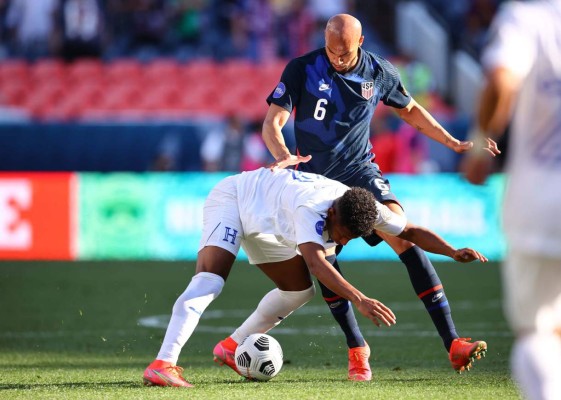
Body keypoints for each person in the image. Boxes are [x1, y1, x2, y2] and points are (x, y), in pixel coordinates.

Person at [251, 13, 500, 380]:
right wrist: (280, 152)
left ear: (361, 42)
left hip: (360, 173)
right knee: (325, 261)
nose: (337, 58)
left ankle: (453, 343)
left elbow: (410, 110)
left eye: (346, 52)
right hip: (315, 182)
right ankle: (357, 349)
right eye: (332, 50)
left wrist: (454, 142)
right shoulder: (302, 68)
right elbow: (272, 121)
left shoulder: (379, 72)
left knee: (402, 234)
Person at [143, 167, 488, 387]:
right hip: (233, 199)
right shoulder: (313, 208)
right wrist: (360, 299)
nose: (342, 241)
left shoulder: (361, 207)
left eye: (350, 238)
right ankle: (163, 363)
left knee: (298, 292)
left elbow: (410, 229)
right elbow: (318, 263)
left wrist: (452, 250)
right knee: (211, 280)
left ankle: (233, 345)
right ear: (333, 212)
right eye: (341, 232)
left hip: (268, 224)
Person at [461, 1, 561, 399]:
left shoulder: (526, 18)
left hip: (541, 197)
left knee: (537, 332)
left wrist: (480, 148)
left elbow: (501, 80)